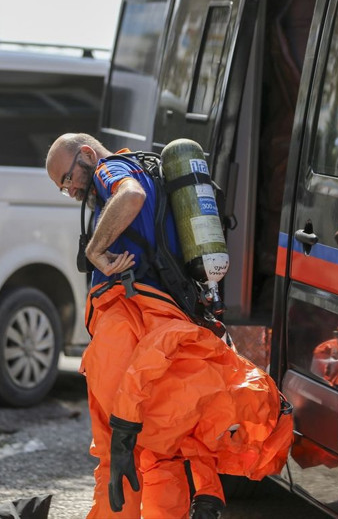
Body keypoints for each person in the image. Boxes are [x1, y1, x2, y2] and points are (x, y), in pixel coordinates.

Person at [46, 133, 292, 519]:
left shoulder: (112, 170)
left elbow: (129, 197)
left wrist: (95, 250)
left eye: (66, 179)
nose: (71, 189)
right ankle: (202, 495)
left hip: (127, 315)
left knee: (117, 448)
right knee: (162, 448)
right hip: (163, 315)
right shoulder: (152, 172)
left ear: (87, 155)